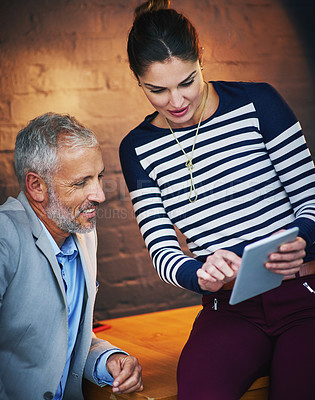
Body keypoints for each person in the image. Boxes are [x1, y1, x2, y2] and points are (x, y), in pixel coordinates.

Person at [119, 1, 315, 399]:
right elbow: (162, 249)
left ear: (201, 60)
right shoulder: (136, 148)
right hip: (229, 309)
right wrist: (199, 275)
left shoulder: (259, 103)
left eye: (187, 81)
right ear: (137, 81)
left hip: (303, 296)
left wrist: (303, 240)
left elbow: (311, 202)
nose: (176, 101)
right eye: (157, 89)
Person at [0, 112, 143, 400]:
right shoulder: (5, 237)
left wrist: (108, 360)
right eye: (81, 183)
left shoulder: (82, 233)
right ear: (36, 186)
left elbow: (60, 339)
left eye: (99, 177)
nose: (100, 194)